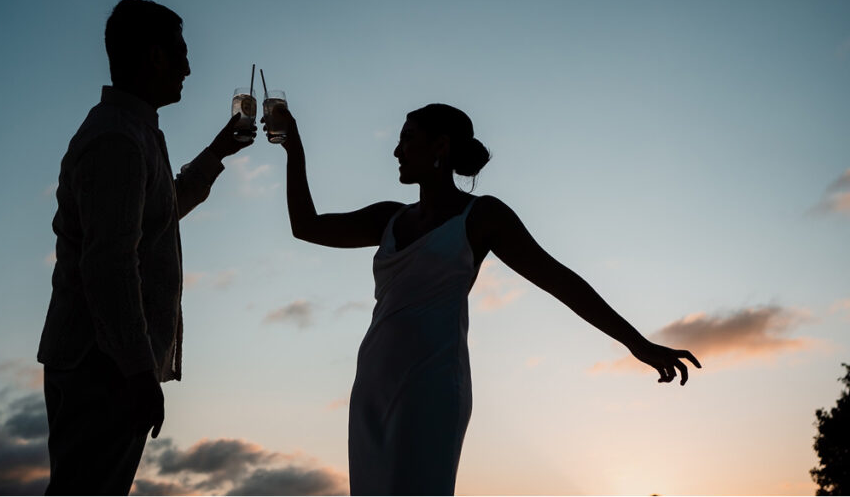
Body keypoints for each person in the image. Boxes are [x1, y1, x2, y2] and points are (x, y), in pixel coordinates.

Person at [268, 102, 700, 496]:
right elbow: (306, 226)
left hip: (431, 383)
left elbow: (559, 280)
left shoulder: (482, 216)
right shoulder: (389, 218)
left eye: (407, 138)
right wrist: (293, 146)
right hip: (373, 384)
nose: (396, 151)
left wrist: (636, 343)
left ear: (440, 146)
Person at [37, 0, 254, 495]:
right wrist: (137, 371)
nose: (188, 68)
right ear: (155, 56)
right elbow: (109, 265)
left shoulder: (133, 131)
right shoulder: (117, 139)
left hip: (104, 359)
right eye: (180, 53)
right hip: (102, 364)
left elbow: (159, 213)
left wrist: (218, 152)